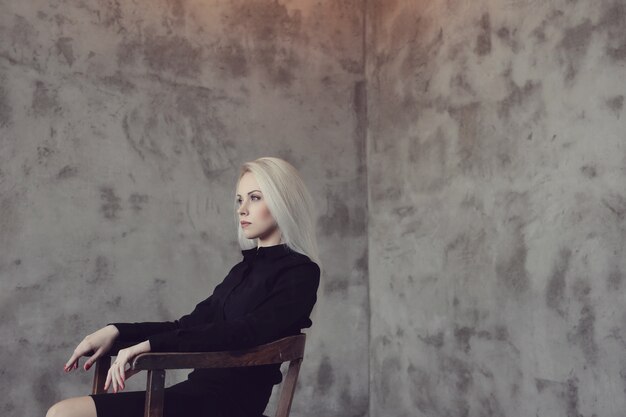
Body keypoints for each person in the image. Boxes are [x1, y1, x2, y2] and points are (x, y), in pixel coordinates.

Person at [46, 157, 323, 417]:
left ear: (281, 201)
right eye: (239, 199)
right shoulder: (242, 270)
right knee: (62, 412)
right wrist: (117, 331)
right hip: (193, 395)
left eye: (255, 198)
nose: (242, 208)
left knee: (64, 414)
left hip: (227, 405)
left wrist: (151, 346)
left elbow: (245, 332)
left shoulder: (300, 273)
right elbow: (187, 325)